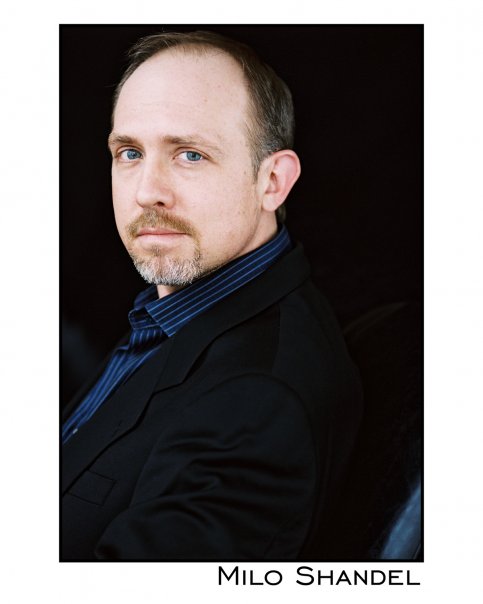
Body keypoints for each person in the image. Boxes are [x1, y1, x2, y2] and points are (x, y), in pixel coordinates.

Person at [61, 30, 363, 561]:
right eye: (129, 152)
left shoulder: (254, 404)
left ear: (273, 181)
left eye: (191, 155)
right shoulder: (176, 312)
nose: (146, 191)